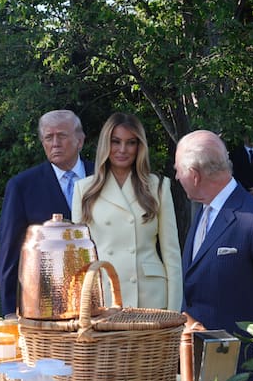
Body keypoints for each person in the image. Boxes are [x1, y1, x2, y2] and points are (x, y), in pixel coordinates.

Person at [174, 130, 253, 381]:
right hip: (198, 371)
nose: (176, 177)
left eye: (178, 170)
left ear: (194, 174)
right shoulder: (203, 213)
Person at [71, 113, 182, 310]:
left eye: (131, 143)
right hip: (105, 294)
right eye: (116, 142)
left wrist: (174, 311)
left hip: (150, 296)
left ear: (139, 147)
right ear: (106, 144)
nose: (123, 150)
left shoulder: (158, 186)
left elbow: (171, 253)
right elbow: (79, 259)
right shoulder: (84, 190)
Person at [0, 110, 94, 317]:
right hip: (47, 305)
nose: (55, 143)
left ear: (80, 140)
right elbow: (10, 251)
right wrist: (10, 310)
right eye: (49, 137)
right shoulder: (22, 186)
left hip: (100, 299)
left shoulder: (103, 177)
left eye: (62, 135)